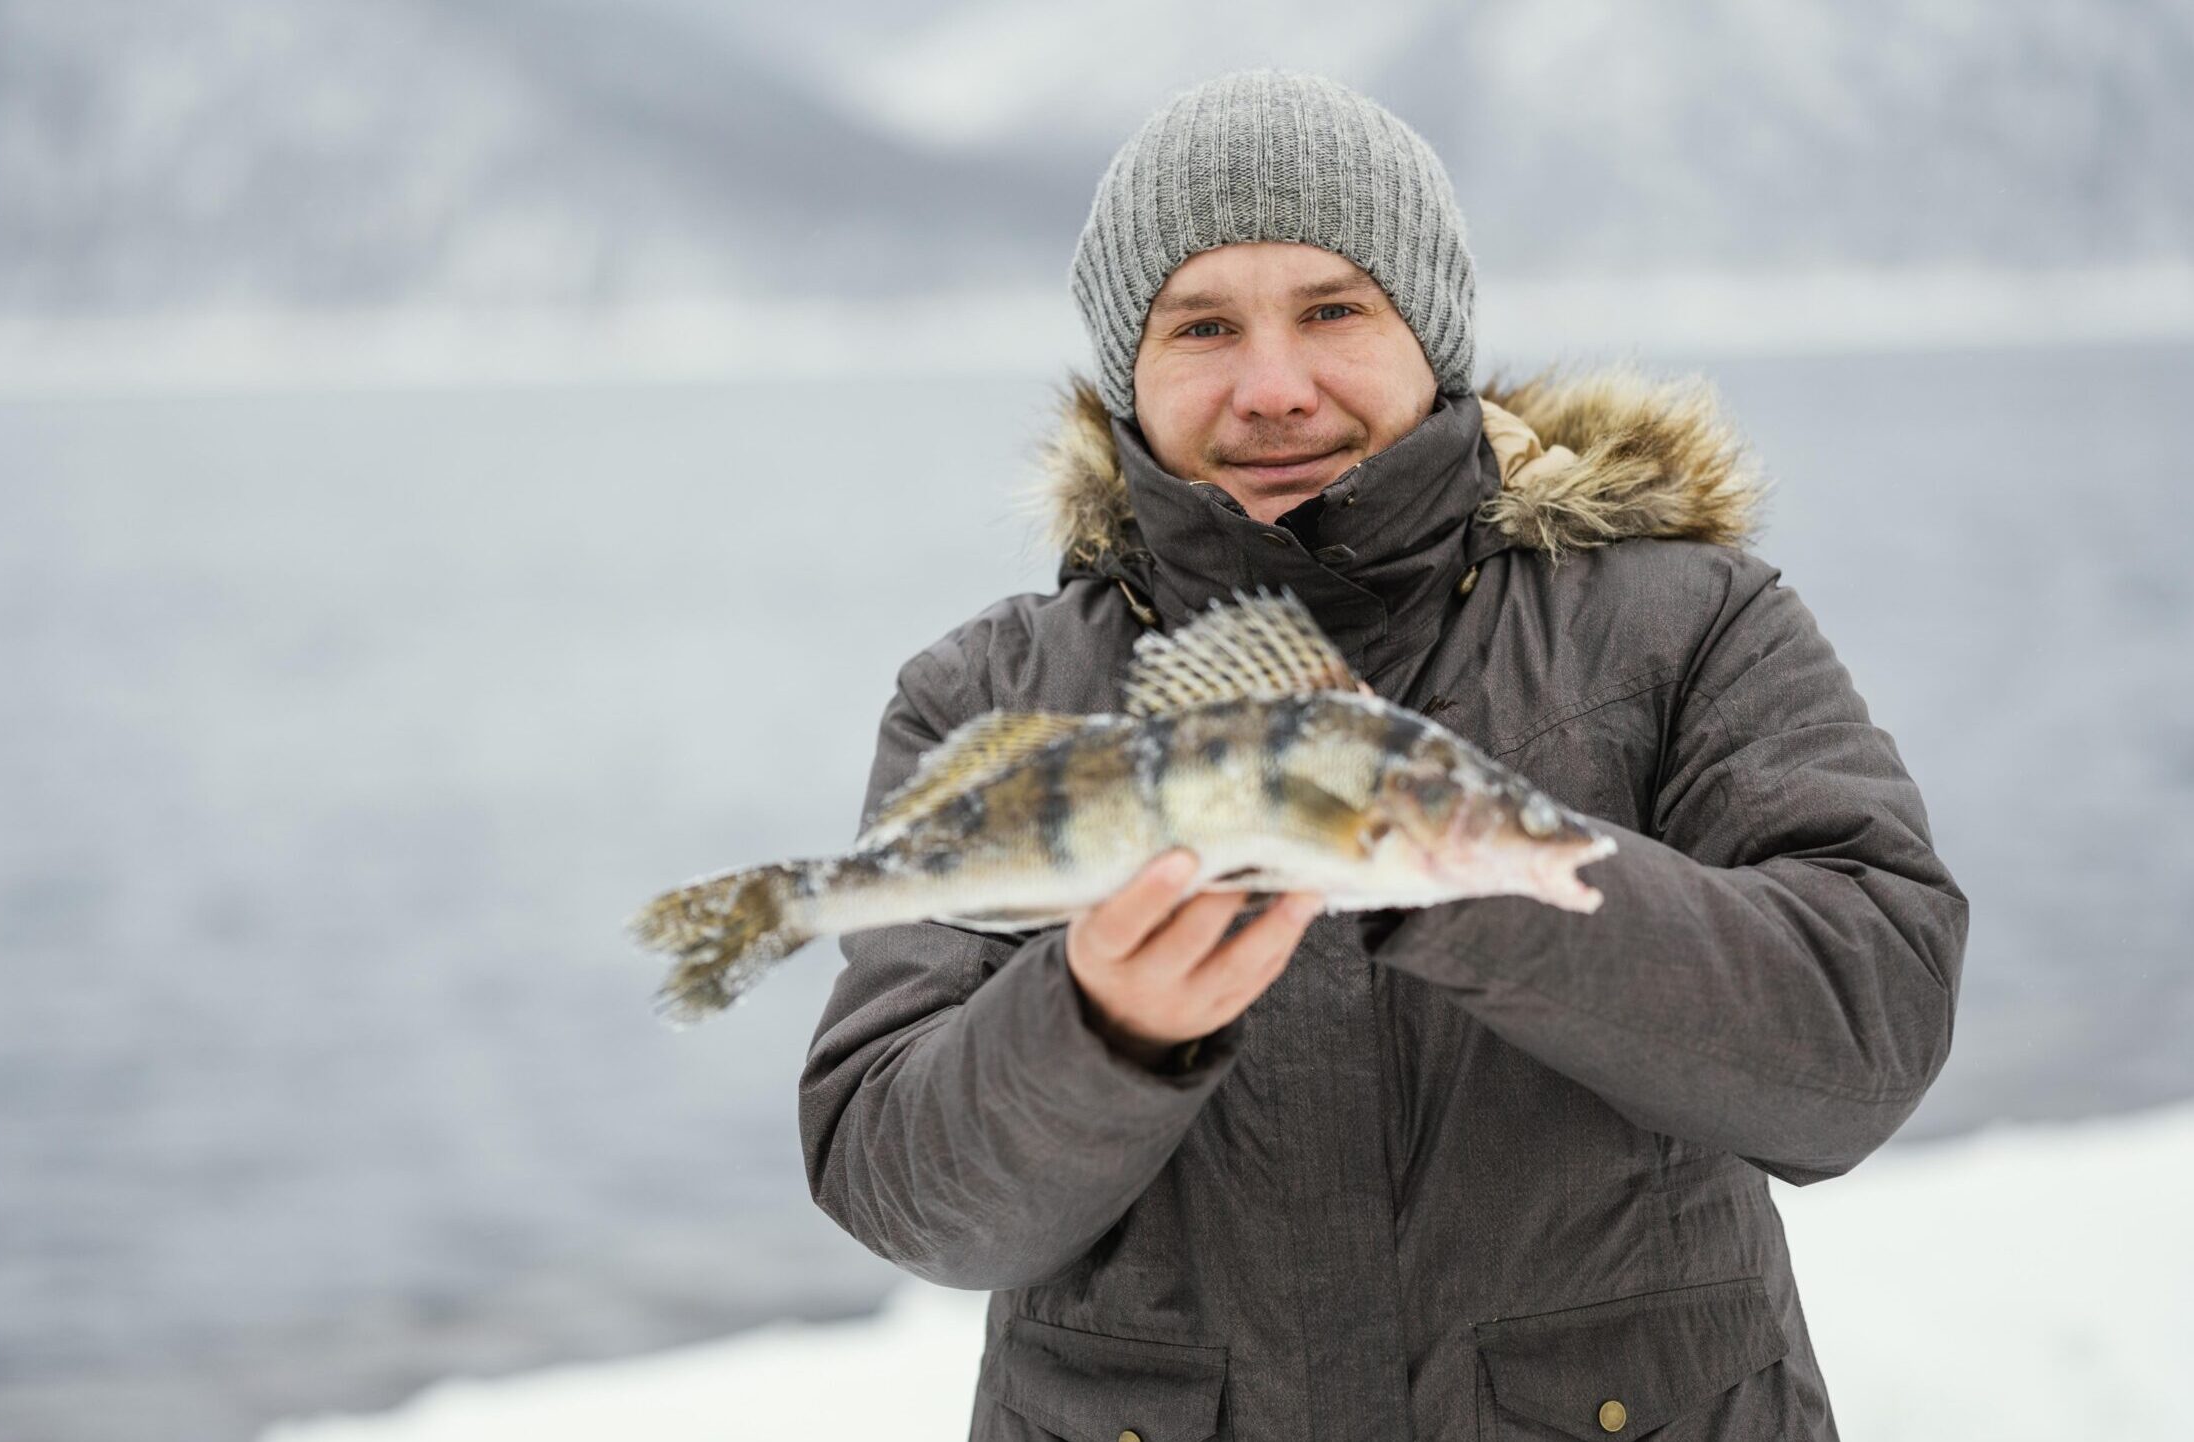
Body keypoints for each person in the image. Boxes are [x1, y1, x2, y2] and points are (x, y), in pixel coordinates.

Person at [799, 69, 1966, 1441]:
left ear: (1434, 331)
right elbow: (901, 1184)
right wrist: (1094, 1028)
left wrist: (1482, 878)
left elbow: (1864, 1030)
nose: (1273, 386)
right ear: (1131, 372)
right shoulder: (988, 696)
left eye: (1335, 309)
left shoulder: (1685, 623)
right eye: (1203, 325)